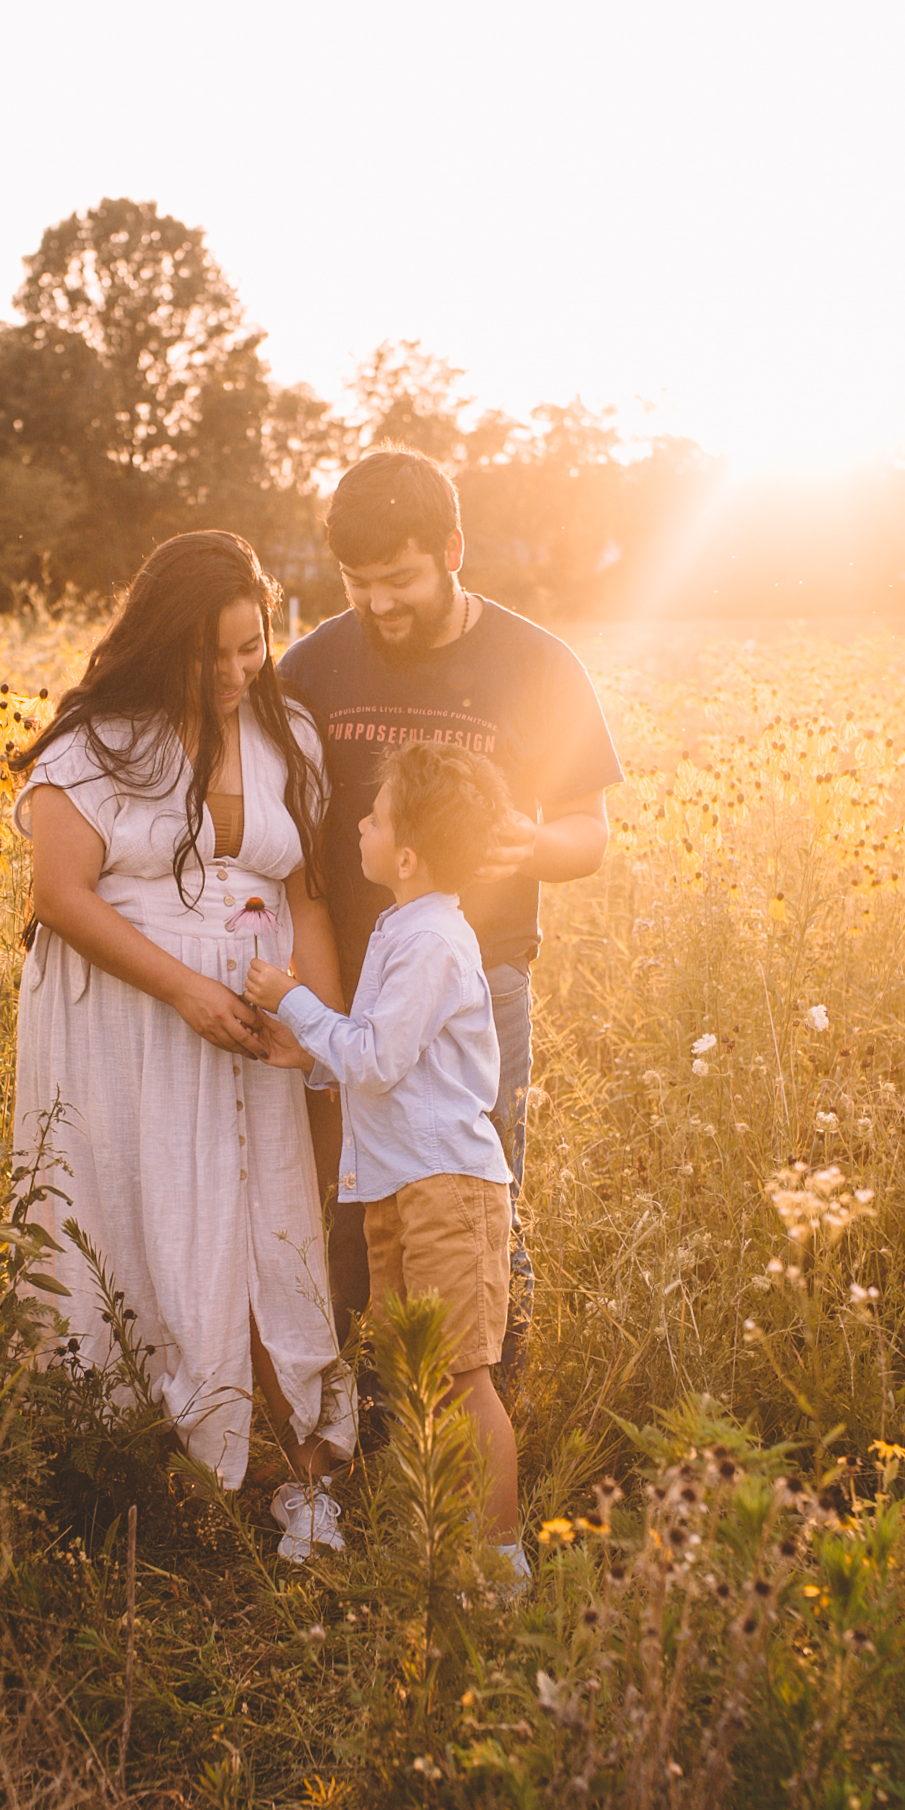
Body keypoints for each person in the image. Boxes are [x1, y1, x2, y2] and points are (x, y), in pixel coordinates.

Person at [10, 530, 353, 1557]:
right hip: (126, 1016)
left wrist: (316, 1033)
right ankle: (129, 1466)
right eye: (212, 655)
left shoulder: (289, 732)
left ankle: (300, 1474)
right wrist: (188, 994)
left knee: (267, 1222)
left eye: (253, 645)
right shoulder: (98, 744)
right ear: (165, 645)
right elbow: (60, 897)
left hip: (254, 1016)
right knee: (139, 1209)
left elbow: (306, 893)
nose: (238, 672)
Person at [279, 444, 623, 1390]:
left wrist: (527, 842)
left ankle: (479, 1413)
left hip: (481, 987)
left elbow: (587, 835)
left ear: (453, 549)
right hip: (340, 983)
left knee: (466, 1206)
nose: (378, 603)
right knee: (344, 1209)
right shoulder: (311, 665)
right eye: (357, 583)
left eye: (399, 579)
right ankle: (366, 1423)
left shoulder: (536, 664)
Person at [243, 740, 521, 1548]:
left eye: (373, 815)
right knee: (419, 1376)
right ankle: (440, 1541)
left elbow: (375, 1056)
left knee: (464, 1377)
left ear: (404, 853)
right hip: (403, 1187)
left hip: (447, 1190)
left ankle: (501, 1563)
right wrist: (311, 1055)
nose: (356, 825)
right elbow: (377, 1059)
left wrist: (294, 1003)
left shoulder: (434, 940)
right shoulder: (405, 926)